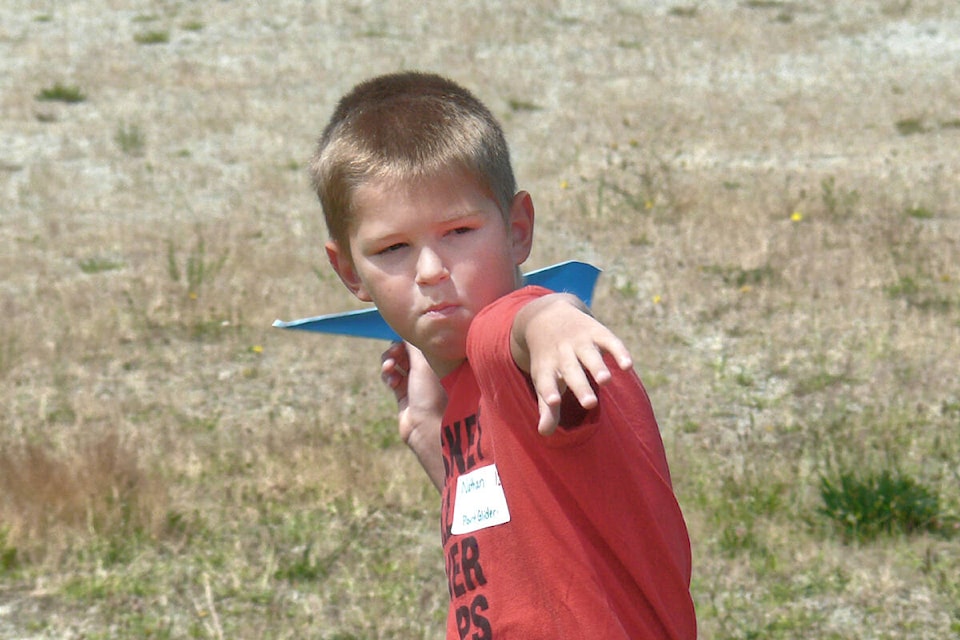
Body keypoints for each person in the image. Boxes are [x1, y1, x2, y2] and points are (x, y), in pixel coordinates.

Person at [310, 71, 696, 639]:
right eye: (393, 248)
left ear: (517, 230)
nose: (430, 270)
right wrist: (428, 428)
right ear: (349, 271)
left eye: (459, 231)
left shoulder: (509, 348)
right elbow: (507, 528)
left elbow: (520, 322)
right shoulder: (477, 393)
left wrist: (553, 319)